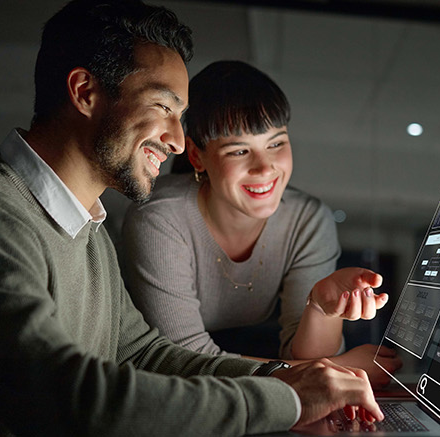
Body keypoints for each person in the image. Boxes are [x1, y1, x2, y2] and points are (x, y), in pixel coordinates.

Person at [0, 1, 384, 435]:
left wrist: (286, 380)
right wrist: (285, 402)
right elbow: (69, 399)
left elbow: (144, 354)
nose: (177, 141)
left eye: (182, 118)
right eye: (163, 108)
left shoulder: (83, 226)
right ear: (85, 92)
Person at [118, 60, 401, 386]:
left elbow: (307, 361)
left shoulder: (307, 220)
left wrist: (322, 309)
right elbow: (181, 358)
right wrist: (339, 369)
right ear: (196, 156)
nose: (265, 168)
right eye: (239, 151)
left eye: (276, 143)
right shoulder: (159, 217)